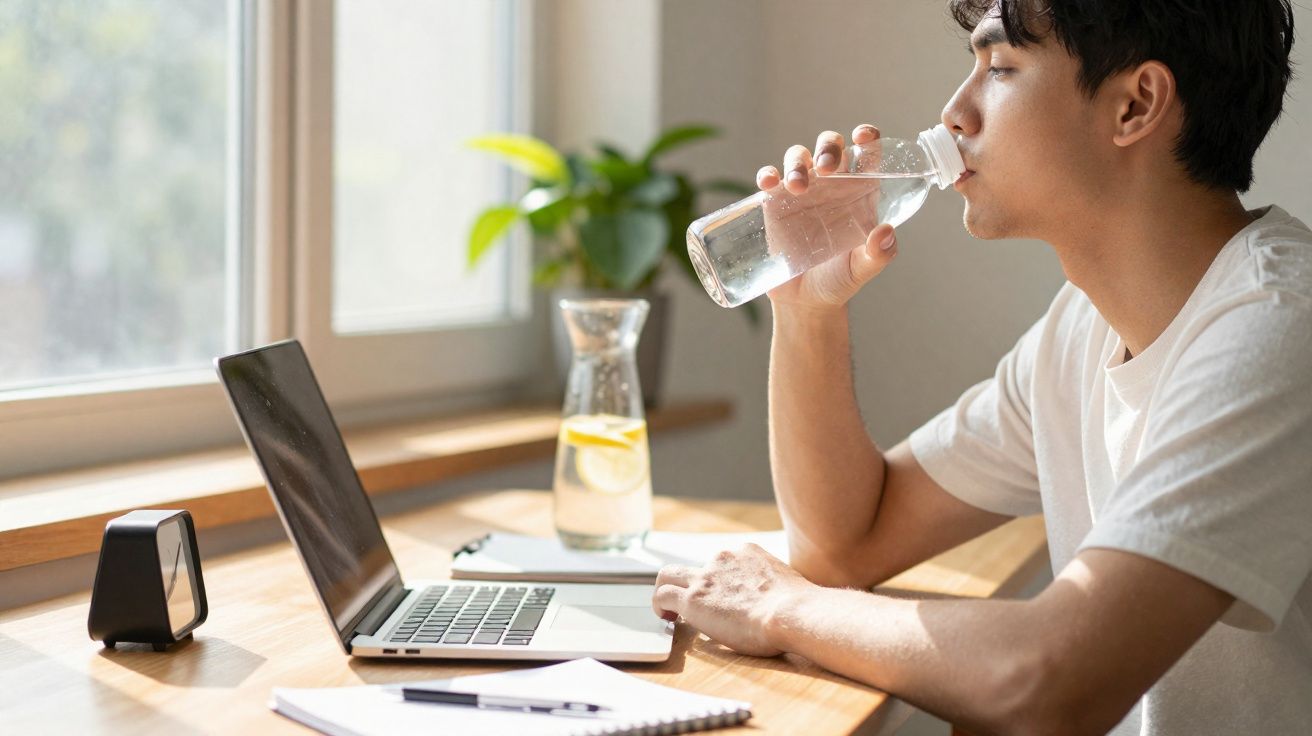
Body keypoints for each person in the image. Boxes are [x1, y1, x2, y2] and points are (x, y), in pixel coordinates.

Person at [651, 1, 1310, 733]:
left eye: (998, 68)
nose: (953, 112)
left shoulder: (1280, 327)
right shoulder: (1081, 330)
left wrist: (781, 608)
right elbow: (844, 542)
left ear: (1135, 105)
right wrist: (808, 309)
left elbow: (1047, 681)